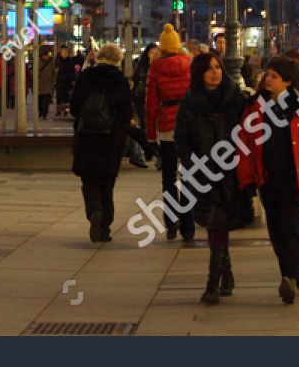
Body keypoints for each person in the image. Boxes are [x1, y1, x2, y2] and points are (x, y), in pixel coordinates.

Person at [236, 57, 299, 304]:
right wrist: (247, 179)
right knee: (276, 230)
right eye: (268, 75)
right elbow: (244, 143)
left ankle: (289, 276)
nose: (268, 80)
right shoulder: (254, 106)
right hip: (268, 178)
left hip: (293, 180)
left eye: (274, 76)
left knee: (292, 229)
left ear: (287, 81)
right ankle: (294, 272)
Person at [176, 51, 249, 304]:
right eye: (209, 69)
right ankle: (224, 276)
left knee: (219, 224)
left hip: (231, 172)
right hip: (203, 172)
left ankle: (213, 283)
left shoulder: (236, 100)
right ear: (199, 73)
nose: (215, 72)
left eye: (218, 67)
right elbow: (181, 139)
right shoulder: (189, 103)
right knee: (216, 223)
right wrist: (191, 166)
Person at [70, 43, 134, 243]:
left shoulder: (86, 77)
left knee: (89, 180)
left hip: (87, 136)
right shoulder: (120, 81)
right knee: (107, 181)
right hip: (111, 138)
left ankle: (94, 211)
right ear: (118, 60)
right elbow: (126, 114)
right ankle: (105, 224)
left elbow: (74, 107)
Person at [145, 25, 194, 242]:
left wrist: (149, 134)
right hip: (188, 128)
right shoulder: (191, 65)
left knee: (168, 178)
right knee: (189, 176)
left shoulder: (155, 68)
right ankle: (188, 226)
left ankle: (171, 222)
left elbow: (150, 105)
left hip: (166, 127)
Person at [48, 46, 74, 120]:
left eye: (66, 53)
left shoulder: (70, 61)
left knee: (66, 97)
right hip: (60, 81)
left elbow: (72, 71)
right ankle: (59, 110)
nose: (64, 54)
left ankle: (65, 110)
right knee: (59, 96)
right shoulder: (59, 60)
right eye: (63, 53)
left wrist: (72, 80)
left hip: (67, 81)